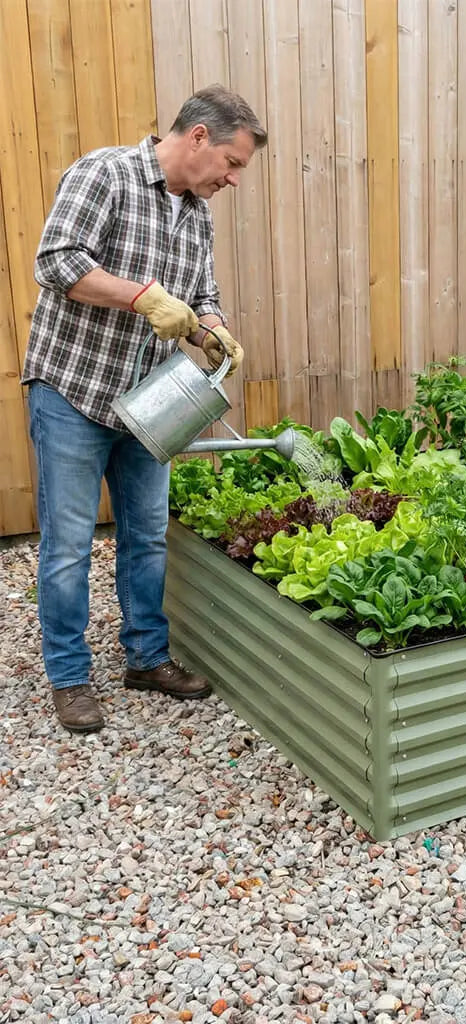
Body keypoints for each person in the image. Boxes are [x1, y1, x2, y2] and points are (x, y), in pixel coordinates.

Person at [21, 85, 267, 733]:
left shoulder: (199, 214)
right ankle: (70, 677)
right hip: (72, 390)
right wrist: (142, 297)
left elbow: (201, 293)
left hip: (145, 402)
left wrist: (213, 329)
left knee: (147, 536)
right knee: (71, 545)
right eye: (232, 164)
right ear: (197, 139)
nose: (235, 179)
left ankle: (146, 658)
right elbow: (56, 261)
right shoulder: (105, 174)